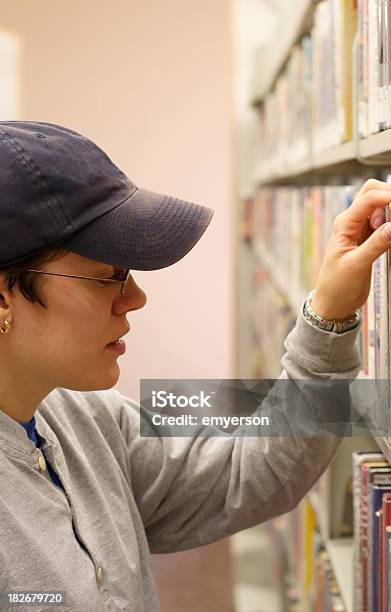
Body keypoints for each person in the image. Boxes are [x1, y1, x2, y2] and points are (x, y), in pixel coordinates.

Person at [0, 121, 390, 612]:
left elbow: (247, 473)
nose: (137, 299)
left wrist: (328, 315)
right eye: (107, 278)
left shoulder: (84, 414)